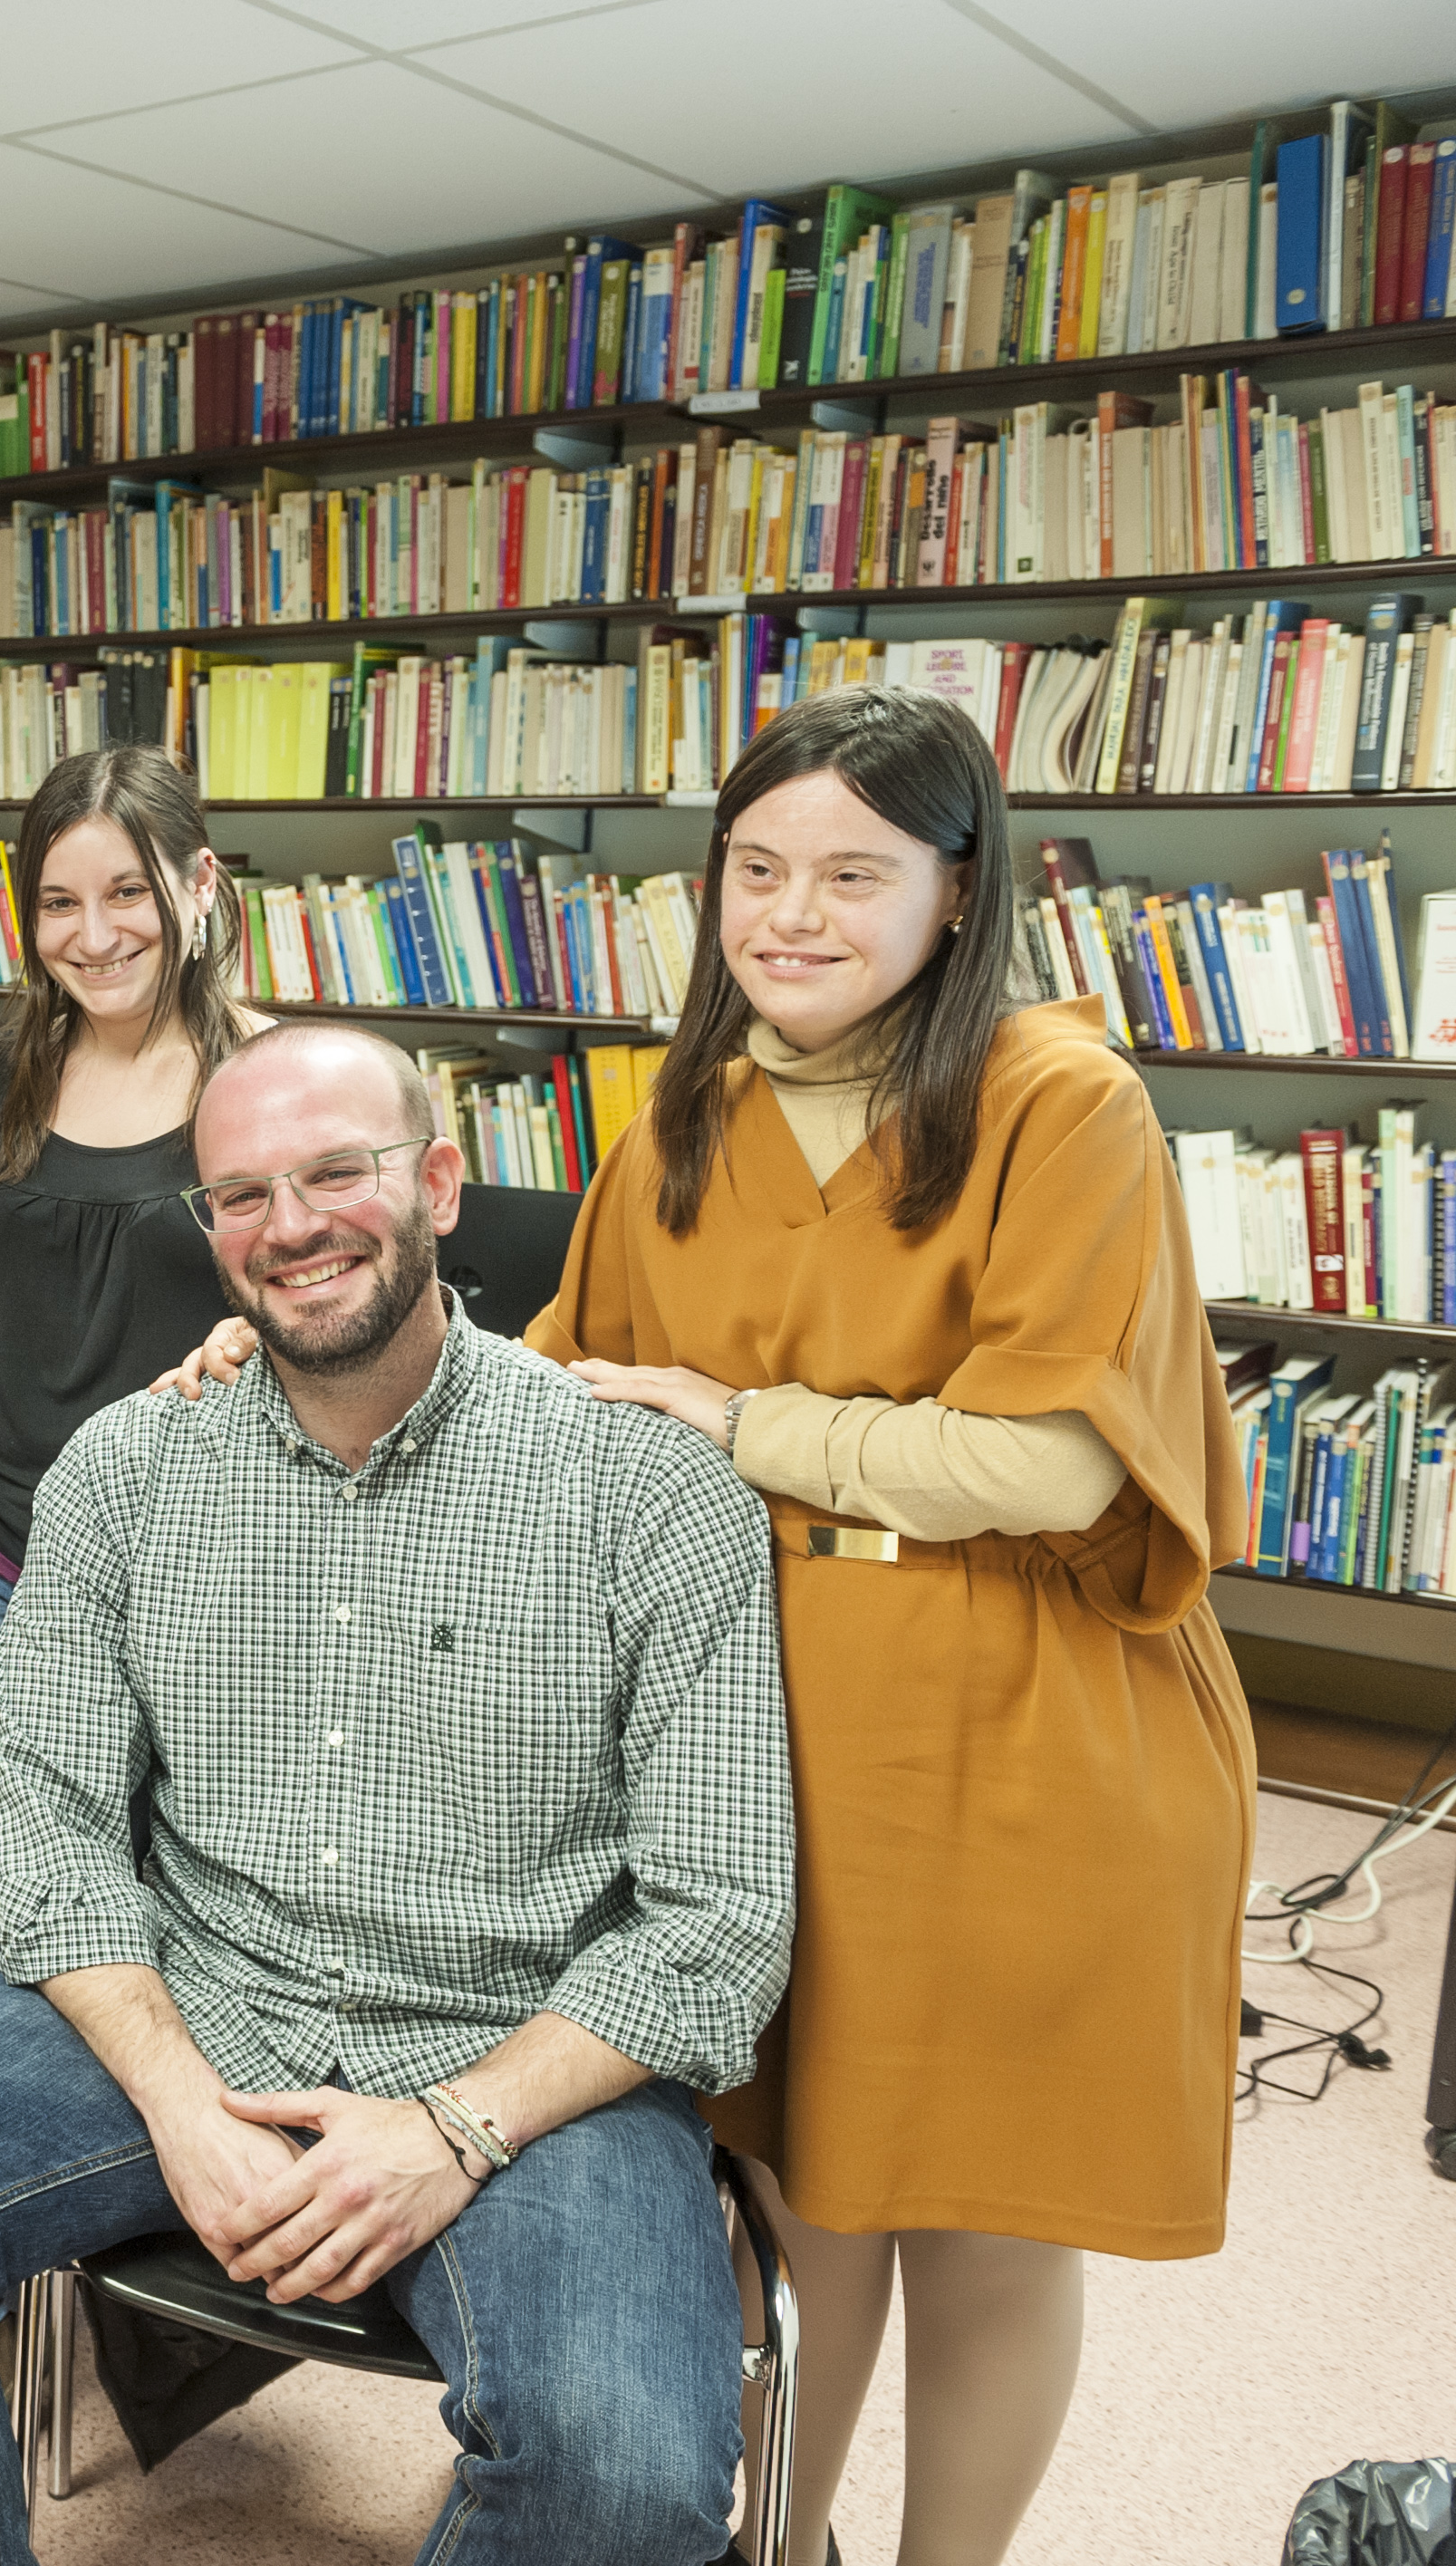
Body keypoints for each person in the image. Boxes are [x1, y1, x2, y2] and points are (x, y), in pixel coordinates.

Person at [0, 1019, 796, 2566]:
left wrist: (453, 2130)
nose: (291, 1224)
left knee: (628, 2474)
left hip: (523, 2047)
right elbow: (40, 1819)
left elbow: (718, 1927)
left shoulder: (644, 1488)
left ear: (441, 1182)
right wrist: (179, 2105)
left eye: (337, 1171)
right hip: (202, 2006)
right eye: (240, 1192)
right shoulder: (127, 1466)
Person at [518, 685, 1251, 2566]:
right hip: (762, 1733)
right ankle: (787, 2541)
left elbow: (1056, 1468)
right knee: (797, 2189)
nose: (790, 913)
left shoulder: (1056, 1099)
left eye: (851, 872)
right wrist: (279, 1361)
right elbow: (554, 1383)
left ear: (954, 888)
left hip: (1022, 1736)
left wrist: (740, 1425)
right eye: (755, 869)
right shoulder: (677, 1115)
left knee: (982, 2212)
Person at [0, 744, 253, 2045]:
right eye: (59, 904)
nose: (94, 934)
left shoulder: (266, 1092)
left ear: (197, 884)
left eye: (126, 893)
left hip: (196, 1570)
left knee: (158, 1930)